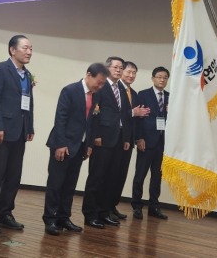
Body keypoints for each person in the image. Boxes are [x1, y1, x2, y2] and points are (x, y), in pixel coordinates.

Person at [42, 63, 109, 235]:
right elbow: (60, 119)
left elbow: (93, 122)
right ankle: (50, 219)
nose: (100, 86)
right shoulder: (70, 91)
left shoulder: (96, 96)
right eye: (99, 82)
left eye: (103, 84)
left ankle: (64, 217)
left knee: (70, 185)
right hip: (63, 145)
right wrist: (60, 144)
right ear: (88, 75)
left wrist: (89, 145)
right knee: (56, 184)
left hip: (80, 146)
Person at [0, 35, 35, 234]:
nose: (29, 52)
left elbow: (28, 103)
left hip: (19, 132)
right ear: (12, 50)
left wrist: (30, 127)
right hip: (1, 132)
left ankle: (5, 214)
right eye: (25, 48)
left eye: (31, 49)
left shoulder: (27, 75)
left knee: (13, 176)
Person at [81, 56, 131, 229]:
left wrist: (125, 139)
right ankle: (90, 214)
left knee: (111, 179)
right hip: (102, 140)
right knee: (97, 178)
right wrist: (95, 136)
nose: (119, 70)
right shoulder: (100, 88)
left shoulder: (122, 89)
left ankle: (103, 212)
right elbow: (94, 114)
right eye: (116, 67)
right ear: (107, 68)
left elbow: (124, 116)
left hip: (117, 140)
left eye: (121, 67)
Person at [108, 61, 149, 221]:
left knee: (121, 175)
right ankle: (105, 207)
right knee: (111, 175)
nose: (131, 76)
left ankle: (113, 205)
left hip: (127, 140)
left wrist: (138, 138)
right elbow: (116, 114)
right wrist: (132, 112)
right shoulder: (114, 90)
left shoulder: (134, 93)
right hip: (114, 139)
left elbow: (137, 121)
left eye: (134, 73)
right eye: (128, 72)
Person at [131, 66, 170, 220]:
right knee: (140, 175)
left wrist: (171, 111)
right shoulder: (143, 95)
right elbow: (137, 120)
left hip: (162, 143)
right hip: (146, 142)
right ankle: (137, 206)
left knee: (157, 176)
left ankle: (154, 206)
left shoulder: (170, 97)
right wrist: (138, 138)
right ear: (153, 78)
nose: (162, 79)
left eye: (165, 77)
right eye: (159, 76)